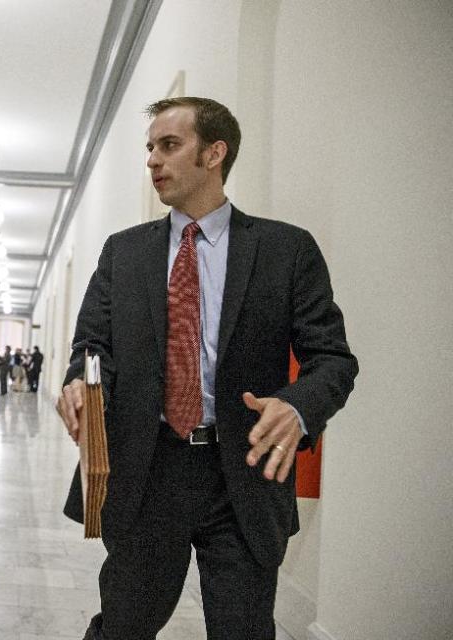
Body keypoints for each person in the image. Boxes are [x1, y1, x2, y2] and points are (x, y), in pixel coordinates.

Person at [56, 98, 358, 640]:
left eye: (169, 146)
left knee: (242, 628)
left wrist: (297, 406)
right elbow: (92, 345)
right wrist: (79, 380)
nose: (153, 160)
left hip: (245, 471)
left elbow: (333, 360)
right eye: (150, 148)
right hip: (149, 470)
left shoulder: (285, 250)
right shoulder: (124, 253)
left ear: (215, 153)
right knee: (124, 624)